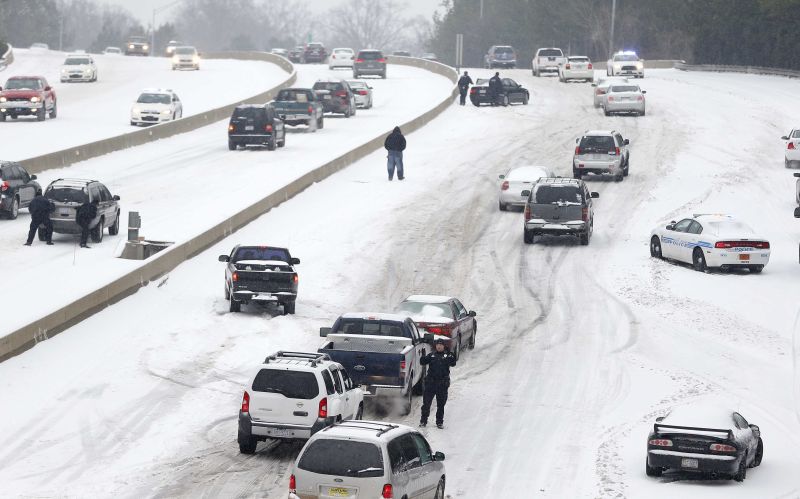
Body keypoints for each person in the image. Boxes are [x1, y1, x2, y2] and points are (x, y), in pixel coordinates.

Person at [419, 338, 457, 429]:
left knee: (441, 404)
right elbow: (422, 361)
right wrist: (423, 355)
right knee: (426, 404)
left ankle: (439, 422)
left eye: (441, 345)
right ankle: (423, 421)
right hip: (431, 384)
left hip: (442, 384)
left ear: (444, 346)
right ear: (435, 346)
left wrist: (452, 354)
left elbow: (453, 363)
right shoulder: (432, 355)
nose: (439, 346)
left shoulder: (448, 356)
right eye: (438, 345)